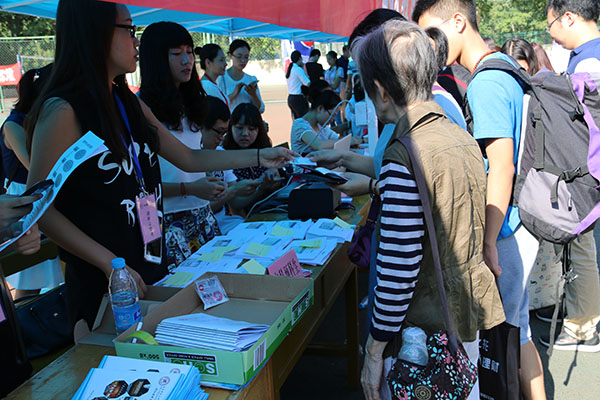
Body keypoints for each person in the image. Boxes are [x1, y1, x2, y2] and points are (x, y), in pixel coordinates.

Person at [24, 0, 294, 329]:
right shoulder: (63, 111)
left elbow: (189, 157)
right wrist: (110, 264)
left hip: (150, 260)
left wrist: (259, 155)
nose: (136, 41)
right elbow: (39, 206)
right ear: (96, 33)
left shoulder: (125, 100)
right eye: (129, 30)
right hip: (104, 282)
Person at [350, 20, 504, 400]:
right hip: (461, 316)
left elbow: (398, 268)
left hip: (422, 332)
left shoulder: (403, 154)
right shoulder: (460, 136)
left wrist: (374, 347)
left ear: (381, 91)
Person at [414, 1, 546, 398]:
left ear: (458, 21)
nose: (430, 44)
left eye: (433, 32)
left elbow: (501, 166)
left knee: (504, 339)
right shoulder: (505, 68)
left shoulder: (486, 83)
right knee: (518, 332)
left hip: (505, 229)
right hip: (521, 219)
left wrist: (486, 242)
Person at [138, 22, 227, 268]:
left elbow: (194, 161)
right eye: (176, 53)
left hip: (200, 213)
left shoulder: (193, 104)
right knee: (170, 286)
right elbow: (139, 188)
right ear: (155, 60)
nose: (187, 60)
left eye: (189, 51)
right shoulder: (139, 110)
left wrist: (203, 186)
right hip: (158, 220)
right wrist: (190, 188)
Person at [541, 0, 600, 352]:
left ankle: (583, 327)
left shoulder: (589, 63)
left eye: (551, 26)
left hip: (587, 172)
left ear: (569, 17)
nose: (552, 34)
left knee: (583, 249)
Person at [1, 65, 64, 298]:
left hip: (43, 198)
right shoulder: (13, 125)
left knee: (51, 271)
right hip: (22, 201)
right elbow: (34, 166)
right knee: (29, 278)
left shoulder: (43, 122)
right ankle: (24, 319)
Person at [200, 96, 261, 233]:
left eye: (224, 133)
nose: (221, 138)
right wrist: (234, 190)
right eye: (218, 132)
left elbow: (235, 202)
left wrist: (261, 187)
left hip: (223, 222)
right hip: (205, 228)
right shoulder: (187, 160)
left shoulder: (220, 153)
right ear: (200, 127)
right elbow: (201, 211)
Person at [222, 103, 282, 215]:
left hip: (266, 208)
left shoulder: (264, 150)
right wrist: (261, 189)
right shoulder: (223, 155)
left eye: (251, 129)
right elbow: (235, 204)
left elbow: (276, 182)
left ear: (259, 130)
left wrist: (274, 182)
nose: (245, 134)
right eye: (239, 128)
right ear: (230, 128)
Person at [220, 39, 265, 114]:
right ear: (230, 56)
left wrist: (253, 94)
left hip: (248, 120)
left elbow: (260, 109)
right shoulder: (222, 78)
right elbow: (218, 105)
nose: (243, 60)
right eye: (239, 56)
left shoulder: (251, 79)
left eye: (246, 57)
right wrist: (234, 94)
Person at [291, 89, 341, 155]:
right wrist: (349, 141)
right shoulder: (299, 125)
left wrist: (349, 141)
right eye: (332, 115)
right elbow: (318, 145)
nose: (332, 119)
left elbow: (337, 138)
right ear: (320, 108)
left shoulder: (320, 125)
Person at [196, 43, 229, 108]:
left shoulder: (210, 85)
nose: (225, 64)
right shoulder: (207, 86)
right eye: (221, 60)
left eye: (224, 60)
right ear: (208, 63)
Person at [286, 50, 310, 119]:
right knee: (304, 119)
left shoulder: (291, 69)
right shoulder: (298, 69)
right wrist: (304, 68)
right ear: (299, 58)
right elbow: (308, 83)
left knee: (296, 120)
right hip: (298, 98)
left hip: (291, 97)